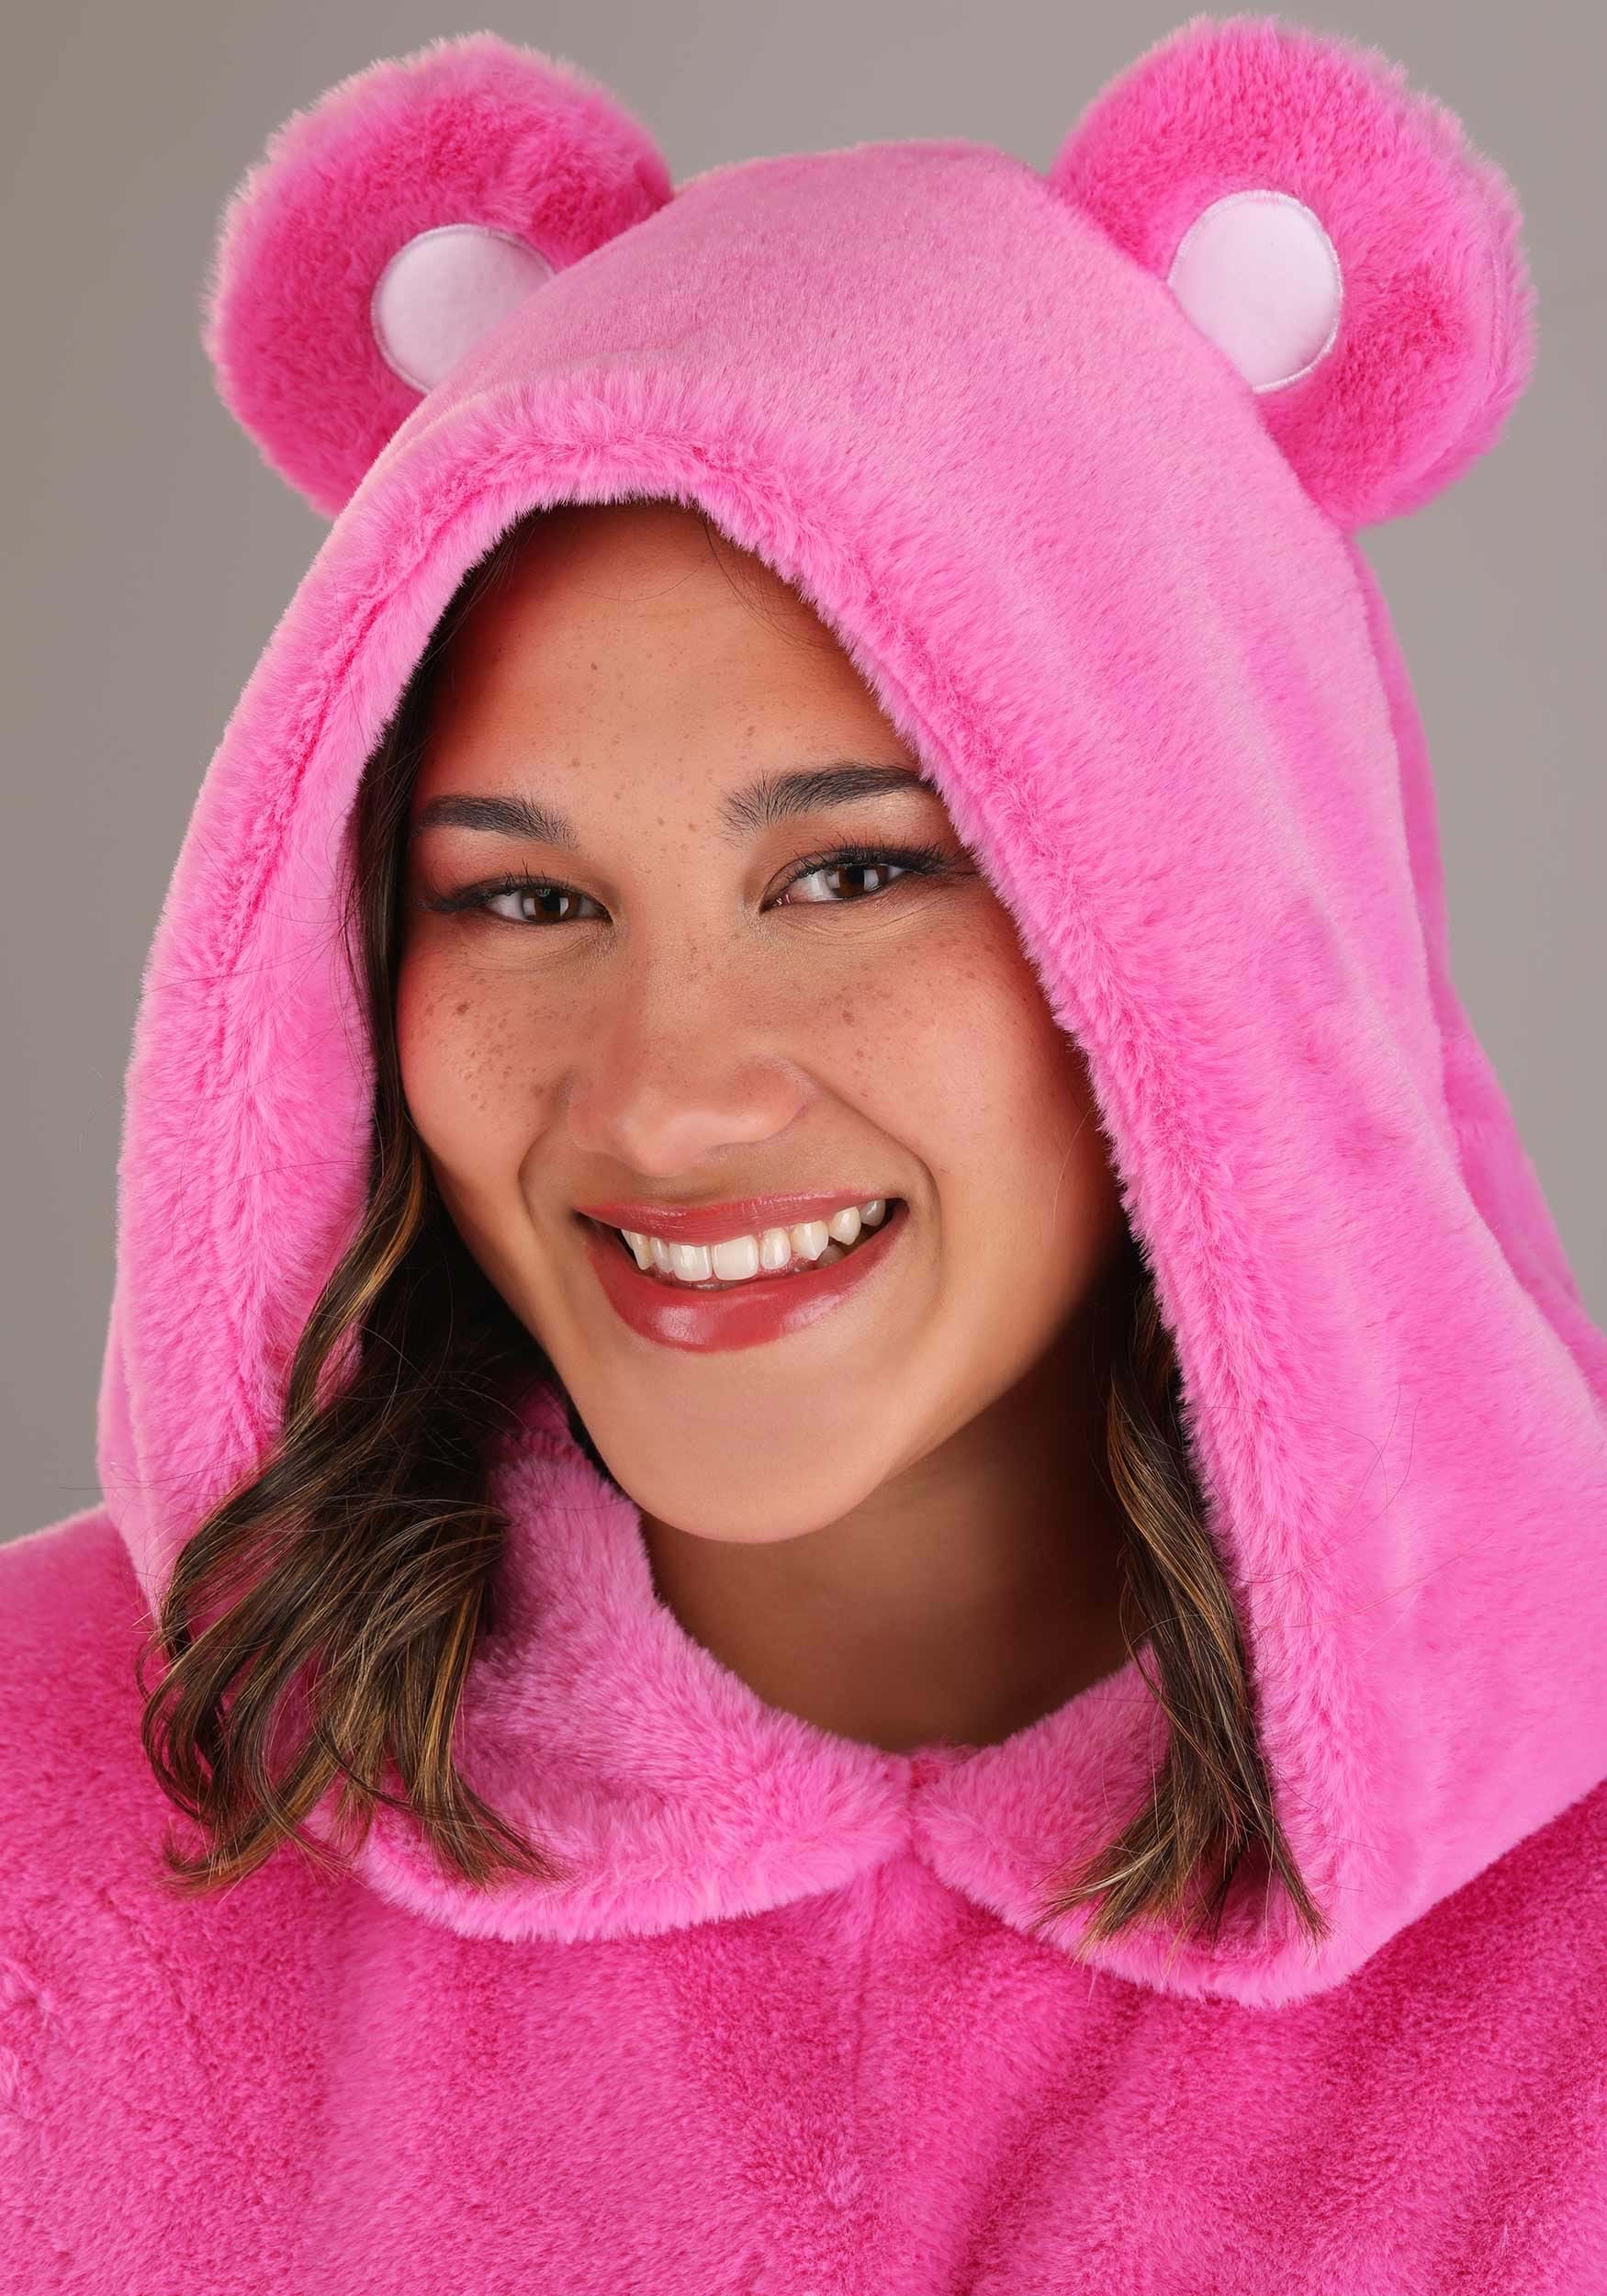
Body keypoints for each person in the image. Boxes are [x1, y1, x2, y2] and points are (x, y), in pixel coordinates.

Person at [4, 17, 1604, 2290]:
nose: (664, 1095)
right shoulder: (40, 1825)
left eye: (852, 873)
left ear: (1207, 924)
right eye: (519, 899)